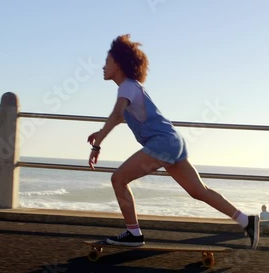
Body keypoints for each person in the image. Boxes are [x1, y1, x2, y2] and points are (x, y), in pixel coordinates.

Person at [87, 34, 260, 249]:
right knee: (199, 191)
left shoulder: (126, 87)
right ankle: (246, 221)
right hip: (173, 142)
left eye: (106, 62)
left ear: (118, 64)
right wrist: (100, 131)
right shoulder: (132, 87)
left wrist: (98, 144)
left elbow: (116, 114)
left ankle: (133, 233)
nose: (103, 67)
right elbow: (122, 116)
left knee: (118, 179)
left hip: (162, 144)